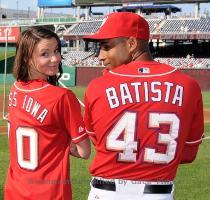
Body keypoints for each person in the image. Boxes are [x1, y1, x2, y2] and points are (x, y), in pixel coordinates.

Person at [83, 12, 204, 200]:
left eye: (107, 47)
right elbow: (188, 154)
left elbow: (99, 142)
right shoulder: (188, 85)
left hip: (106, 192)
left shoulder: (98, 86)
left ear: (131, 44)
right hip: (157, 194)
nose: (100, 56)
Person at [4, 26, 90, 200]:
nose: (55, 58)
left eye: (57, 51)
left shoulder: (15, 89)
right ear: (28, 58)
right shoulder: (62, 97)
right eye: (45, 54)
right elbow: (84, 151)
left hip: (14, 191)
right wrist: (63, 143)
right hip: (50, 194)